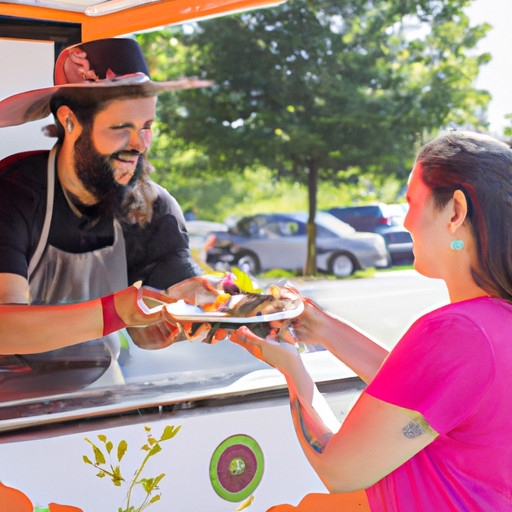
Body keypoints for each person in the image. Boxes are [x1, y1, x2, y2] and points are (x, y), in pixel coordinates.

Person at [230, 131, 512, 511]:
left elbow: (339, 470)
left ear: (455, 212)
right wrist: (322, 328)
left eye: (411, 201)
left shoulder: (458, 331)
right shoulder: (493, 324)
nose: (406, 221)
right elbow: (423, 393)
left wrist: (291, 368)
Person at [0, 38, 218, 387]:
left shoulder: (151, 206)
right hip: (11, 404)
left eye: (146, 126)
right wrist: (117, 311)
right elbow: (3, 328)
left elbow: (148, 333)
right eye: (121, 128)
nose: (139, 144)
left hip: (98, 393)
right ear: (70, 121)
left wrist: (212, 314)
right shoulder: (12, 195)